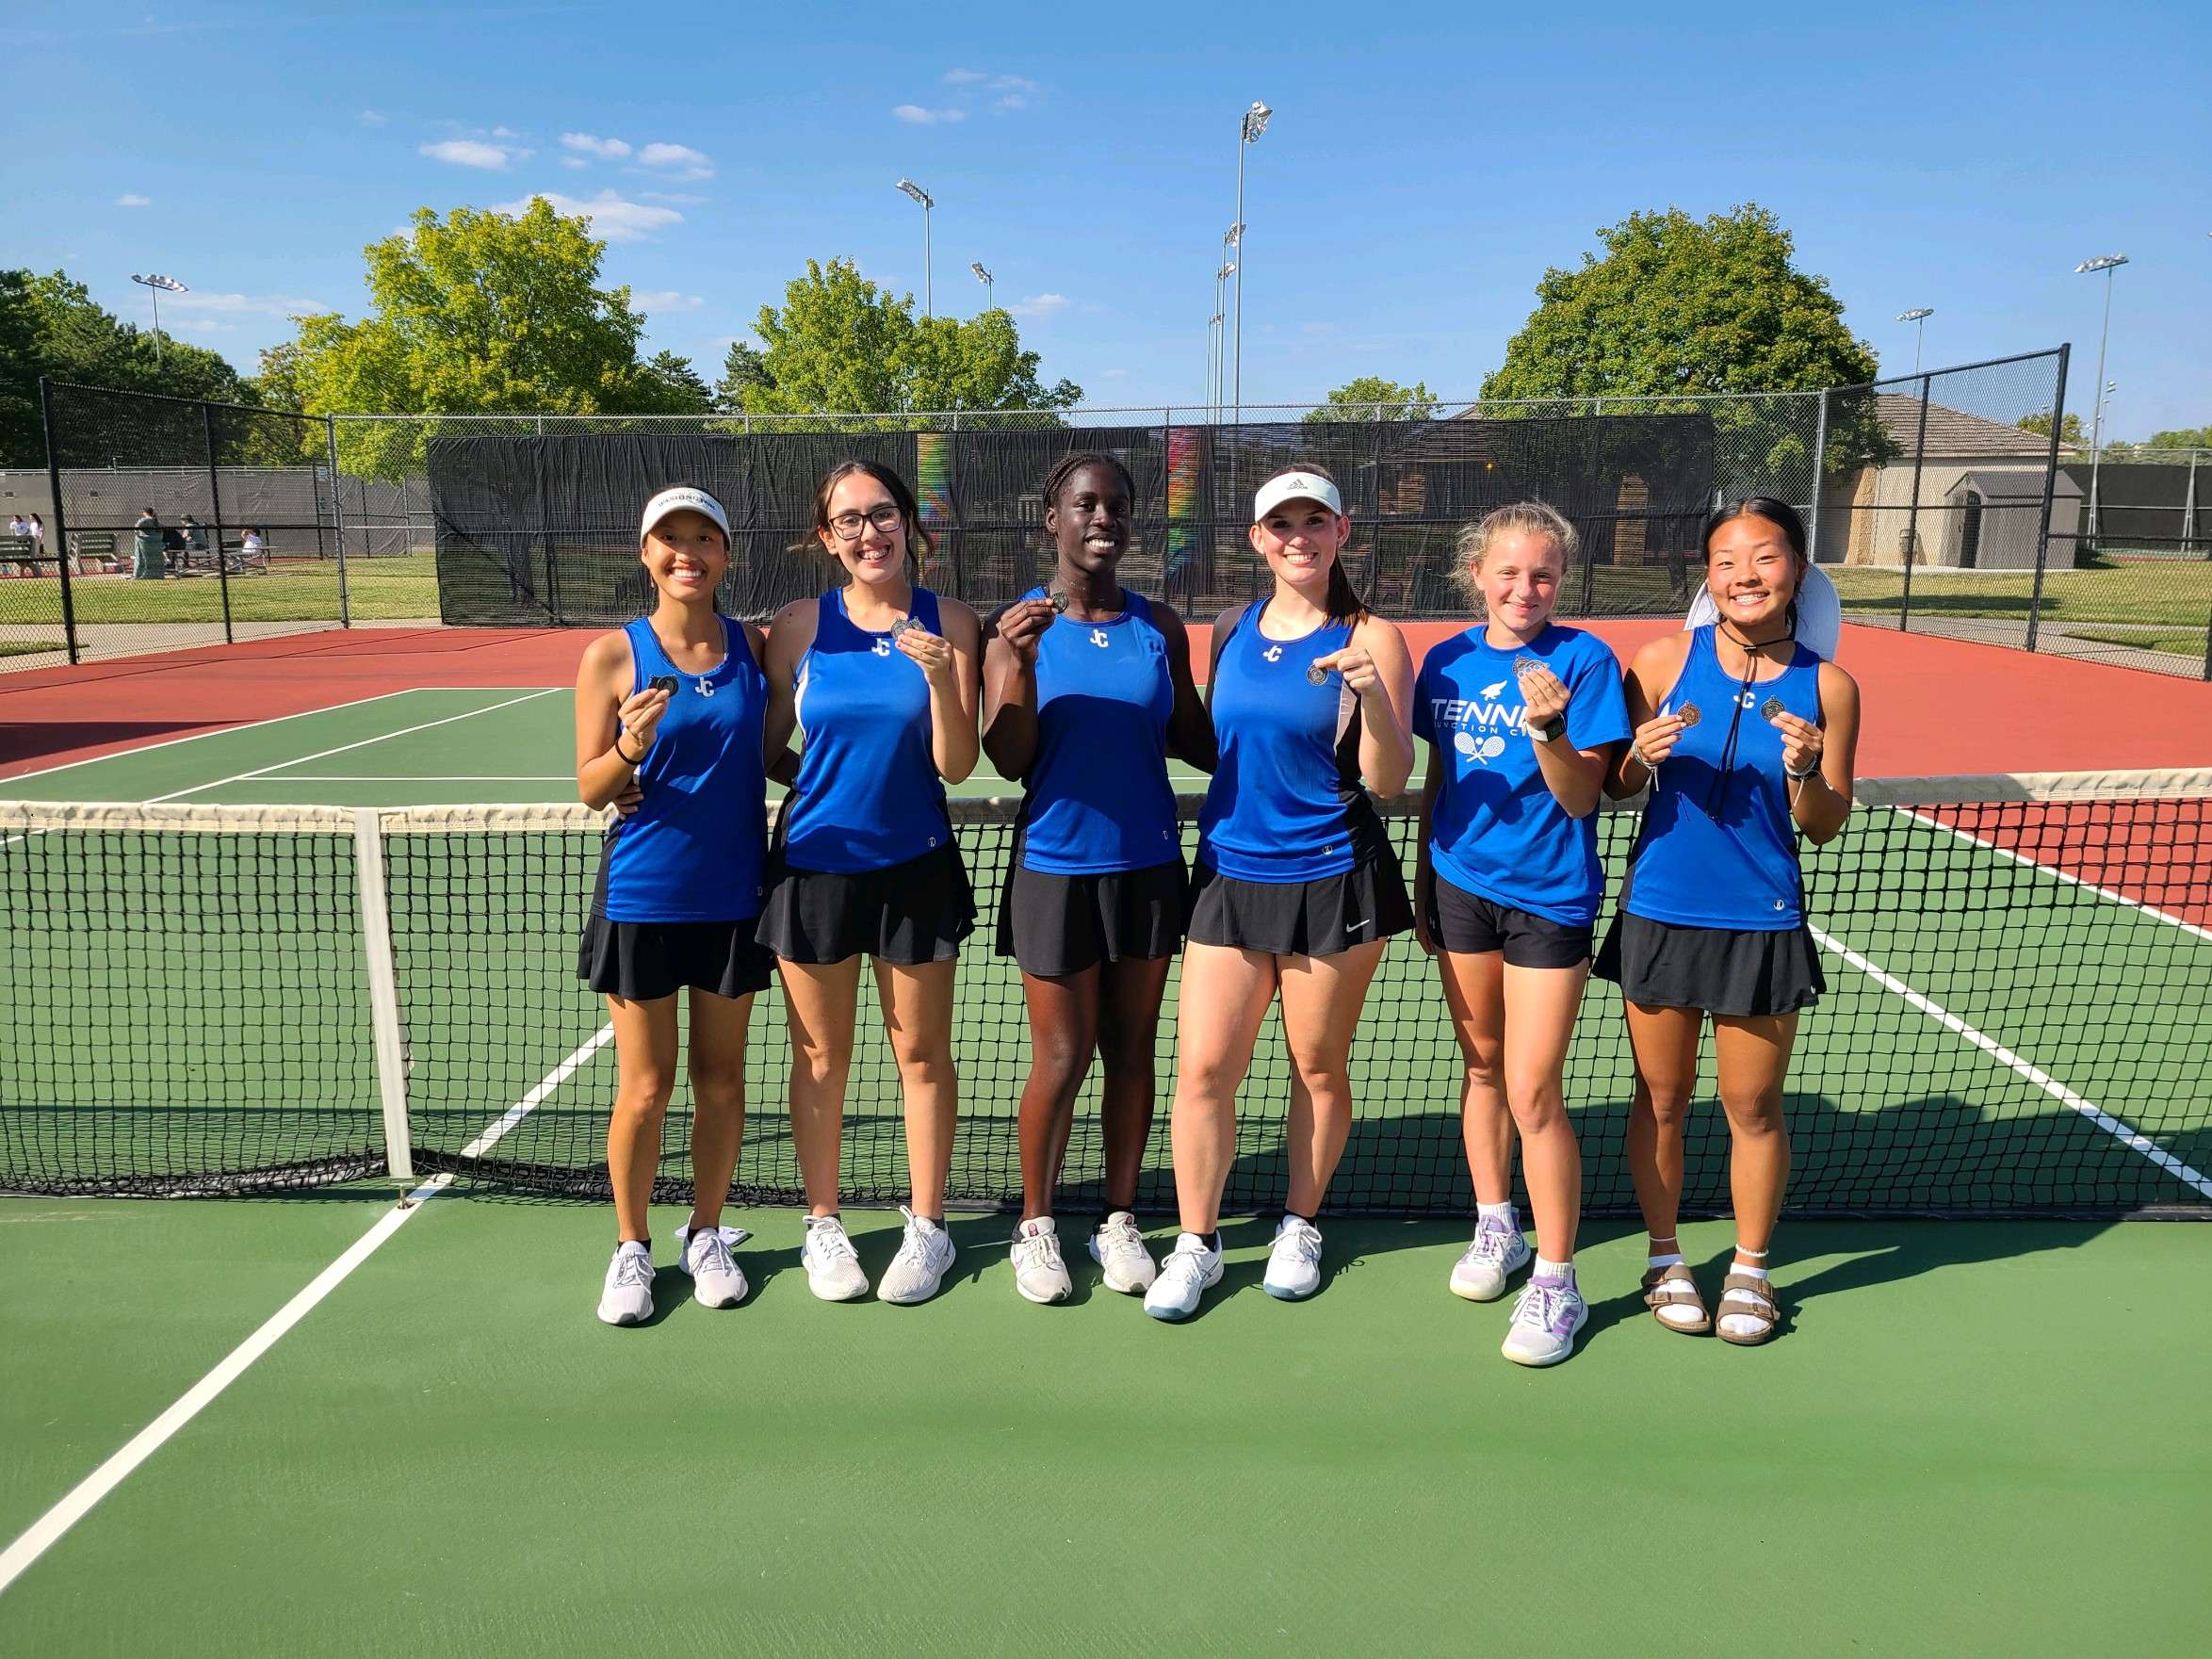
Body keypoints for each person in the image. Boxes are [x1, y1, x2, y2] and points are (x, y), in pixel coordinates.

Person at [1145, 464, 1416, 1321]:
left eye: (1316, 521)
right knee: (1203, 1070)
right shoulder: (1229, 628)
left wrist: (1370, 696)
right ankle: (1198, 1241)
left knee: (1317, 1066)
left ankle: (1301, 1222)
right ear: (1259, 539)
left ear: (1343, 533)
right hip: (1228, 873)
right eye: (1282, 524)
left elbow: (1388, 777)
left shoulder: (1374, 636)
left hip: (1336, 877)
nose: (1299, 536)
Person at [1598, 496, 1859, 1345]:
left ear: (1798, 572)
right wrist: (1642, 752)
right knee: (1662, 1098)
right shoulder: (1664, 657)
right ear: (1707, 578)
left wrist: (1807, 769)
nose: (1745, 574)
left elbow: (1822, 824)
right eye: (1726, 561)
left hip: (1763, 918)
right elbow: (1617, 786)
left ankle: (1750, 1267)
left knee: (1752, 1105)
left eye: (1766, 557)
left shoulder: (1829, 685)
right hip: (1661, 910)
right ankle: (1664, 1257)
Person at [982, 452, 1215, 1304]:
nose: (1103, 519)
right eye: (1086, 505)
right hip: (1054, 868)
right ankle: (1035, 1225)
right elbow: (1008, 758)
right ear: (1054, 519)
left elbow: (1197, 736)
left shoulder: (1162, 624)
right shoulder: (1015, 628)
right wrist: (1022, 664)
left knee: (1131, 1050)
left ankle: (1118, 1215)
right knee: (1061, 1053)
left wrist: (1304, 714)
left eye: (1117, 505)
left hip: (1149, 868)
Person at [757, 461, 983, 1306]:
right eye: (848, 521)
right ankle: (824, 1224)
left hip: (916, 868)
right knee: (820, 1058)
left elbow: (956, 765)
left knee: (921, 1054)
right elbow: (767, 746)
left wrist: (939, 679)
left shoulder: (952, 622)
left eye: (882, 515)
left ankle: (928, 1227)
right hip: (814, 867)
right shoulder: (797, 627)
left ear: (908, 524)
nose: (868, 533)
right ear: (827, 538)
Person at [1411, 503, 1629, 1367]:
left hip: (1550, 898)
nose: (1524, 589)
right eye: (1508, 572)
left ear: (1560, 581)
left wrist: (1547, 730)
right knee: (1482, 1068)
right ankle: (1494, 1223)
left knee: (1534, 1090)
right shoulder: (1446, 662)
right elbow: (1440, 774)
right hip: (1461, 887)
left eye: (1541, 574)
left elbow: (1582, 797)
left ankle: (1558, 1278)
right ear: (1478, 575)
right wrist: (1425, 882)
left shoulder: (1584, 661)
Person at [574, 485, 773, 1326]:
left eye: (704, 538)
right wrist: (629, 746)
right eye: (670, 539)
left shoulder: (752, 648)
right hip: (643, 897)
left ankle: (706, 1232)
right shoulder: (611, 656)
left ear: (725, 554)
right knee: (646, 1087)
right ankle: (631, 1246)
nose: (687, 552)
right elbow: (591, 787)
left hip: (733, 898)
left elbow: (775, 753)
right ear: (645, 552)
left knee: (721, 1082)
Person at [132, 507, 163, 580]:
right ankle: (155, 574)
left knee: (142, 558)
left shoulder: (144, 520)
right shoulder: (156, 521)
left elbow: (136, 528)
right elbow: (161, 531)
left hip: (145, 543)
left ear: (145, 513)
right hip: (156, 542)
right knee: (154, 559)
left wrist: (138, 535)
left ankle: (139, 574)